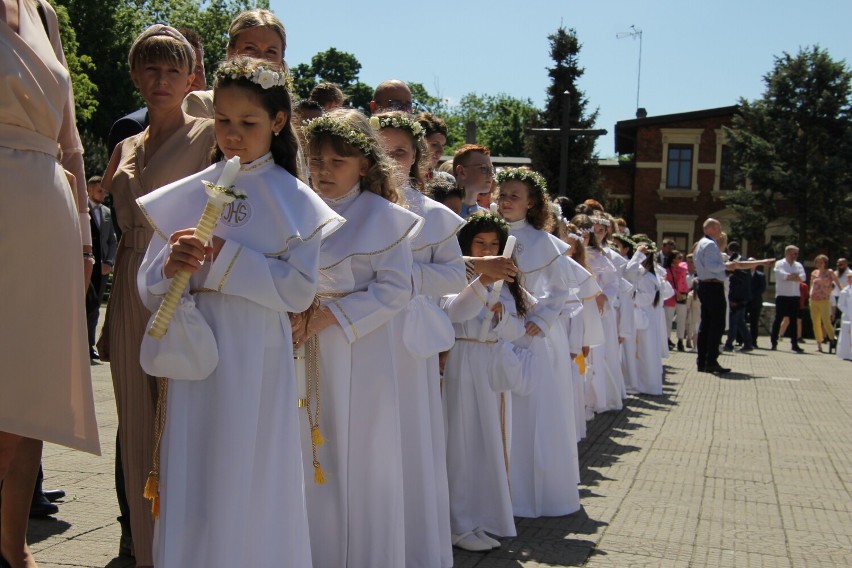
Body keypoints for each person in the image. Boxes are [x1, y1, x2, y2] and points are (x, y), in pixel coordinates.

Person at [137, 57, 342, 567]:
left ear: (277, 122)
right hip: (196, 351)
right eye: (223, 122)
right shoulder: (191, 189)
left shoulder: (296, 200)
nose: (232, 135)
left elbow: (297, 292)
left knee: (247, 469)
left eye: (247, 123)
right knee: (196, 468)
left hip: (255, 352)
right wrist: (172, 265)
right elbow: (146, 286)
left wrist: (227, 256)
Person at [101, 25, 215, 567]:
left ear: (191, 76)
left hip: (182, 279)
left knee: (181, 416)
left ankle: (190, 549)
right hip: (128, 277)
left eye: (173, 69)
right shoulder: (124, 144)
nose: (161, 79)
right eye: (150, 68)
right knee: (136, 425)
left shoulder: (212, 135)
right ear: (136, 76)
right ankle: (146, 553)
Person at [293, 109, 422, 567]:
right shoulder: (297, 207)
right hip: (302, 348)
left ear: (364, 165)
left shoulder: (385, 218)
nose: (323, 171)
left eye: (337, 162)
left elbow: (395, 289)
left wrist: (329, 315)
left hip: (360, 350)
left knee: (359, 454)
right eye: (317, 160)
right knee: (309, 449)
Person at [1, 1, 101, 566]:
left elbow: (71, 142)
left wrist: (86, 236)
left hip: (47, 212)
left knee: (29, 394)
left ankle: (15, 551)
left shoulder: (44, 12)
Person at [376, 111, 466, 568]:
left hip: (408, 340)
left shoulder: (434, 215)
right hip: (356, 336)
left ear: (417, 160)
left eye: (401, 152)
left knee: (407, 435)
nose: (391, 160)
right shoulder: (347, 205)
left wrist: (400, 278)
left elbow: (453, 273)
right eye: (383, 149)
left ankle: (410, 544)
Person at [497, 167, 581, 518]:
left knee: (530, 413)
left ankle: (532, 494)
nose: (505, 201)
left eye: (515, 196)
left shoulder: (543, 242)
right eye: (502, 194)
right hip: (492, 331)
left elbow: (560, 291)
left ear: (531, 203)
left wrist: (540, 320)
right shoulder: (488, 234)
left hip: (529, 337)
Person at [442, 214, 529, 551]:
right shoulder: (456, 276)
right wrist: (479, 286)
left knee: (484, 444)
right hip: (462, 362)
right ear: (468, 246)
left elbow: (518, 330)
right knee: (460, 443)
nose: (490, 250)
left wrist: (501, 317)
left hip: (488, 367)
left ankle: (477, 517)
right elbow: (453, 313)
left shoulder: (508, 284)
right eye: (481, 244)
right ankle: (456, 522)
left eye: (495, 244)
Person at [183, 9, 287, 118]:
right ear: (231, 51)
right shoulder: (202, 103)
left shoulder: (284, 112)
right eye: (250, 48)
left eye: (271, 51)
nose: (261, 58)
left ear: (281, 59)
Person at [86, 176, 117, 360]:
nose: (103, 194)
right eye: (99, 190)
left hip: (101, 269)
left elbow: (112, 240)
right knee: (83, 305)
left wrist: (109, 262)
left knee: (96, 306)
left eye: (104, 191)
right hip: (84, 265)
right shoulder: (80, 208)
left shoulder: (106, 212)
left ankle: (90, 344)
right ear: (89, 190)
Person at [771, 245, 806, 353]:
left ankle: (794, 344)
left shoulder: (798, 265)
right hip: (782, 295)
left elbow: (803, 277)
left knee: (793, 321)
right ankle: (774, 342)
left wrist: (791, 277)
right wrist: (795, 277)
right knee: (778, 319)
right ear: (787, 253)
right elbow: (782, 275)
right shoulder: (780, 263)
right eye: (794, 253)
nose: (796, 256)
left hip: (794, 296)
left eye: (797, 253)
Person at [724, 242, 754, 352]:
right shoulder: (745, 261)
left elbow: (739, 282)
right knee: (740, 320)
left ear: (730, 251)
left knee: (733, 320)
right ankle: (748, 342)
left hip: (738, 297)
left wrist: (733, 299)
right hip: (744, 296)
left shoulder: (736, 263)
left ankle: (729, 344)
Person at [809, 254, 840, 353]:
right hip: (814, 300)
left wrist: (844, 290)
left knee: (826, 321)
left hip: (824, 299)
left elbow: (837, 282)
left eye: (821, 262)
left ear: (825, 263)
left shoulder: (829, 272)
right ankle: (819, 344)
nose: (819, 264)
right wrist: (809, 294)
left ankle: (832, 338)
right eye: (817, 262)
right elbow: (811, 285)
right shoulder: (814, 272)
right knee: (816, 323)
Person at [453, 144, 493, 218]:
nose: (490, 174)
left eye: (491, 169)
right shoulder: (445, 213)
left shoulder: (487, 217)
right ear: (461, 171)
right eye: (483, 168)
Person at [663, 250, 689, 351]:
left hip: (682, 296)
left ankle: (680, 340)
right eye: (679, 257)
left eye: (681, 257)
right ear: (673, 259)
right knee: (668, 319)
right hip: (671, 297)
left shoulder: (683, 268)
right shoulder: (667, 270)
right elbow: (666, 284)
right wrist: (675, 291)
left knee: (681, 319)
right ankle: (667, 339)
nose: (681, 259)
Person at [415, 112, 453, 181]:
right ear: (418, 143)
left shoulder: (447, 181)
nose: (441, 151)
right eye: (434, 144)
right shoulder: (400, 182)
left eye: (442, 146)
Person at [747, 261, 767, 348]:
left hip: (756, 302)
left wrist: (753, 295)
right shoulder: (744, 274)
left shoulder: (761, 275)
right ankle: (740, 340)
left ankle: (753, 341)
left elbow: (762, 288)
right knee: (741, 321)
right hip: (745, 300)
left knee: (754, 322)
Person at [836, 271, 852, 361]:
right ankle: (846, 353)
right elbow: (840, 304)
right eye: (849, 278)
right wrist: (849, 313)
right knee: (846, 335)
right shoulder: (845, 291)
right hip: (847, 316)